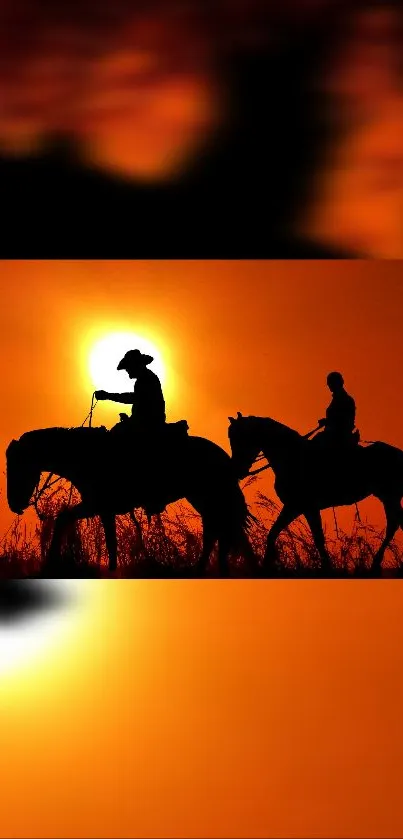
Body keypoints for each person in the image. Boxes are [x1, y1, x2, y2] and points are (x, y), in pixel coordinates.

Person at [95, 349, 166, 432]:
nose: (127, 371)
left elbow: (135, 398)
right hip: (145, 422)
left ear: (135, 365)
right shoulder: (144, 378)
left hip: (149, 424)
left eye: (128, 368)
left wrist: (108, 395)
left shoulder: (147, 378)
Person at [312, 371, 358, 451]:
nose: (328, 385)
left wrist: (327, 422)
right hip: (333, 433)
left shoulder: (345, 399)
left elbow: (342, 420)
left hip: (339, 436)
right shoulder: (338, 398)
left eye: (330, 383)